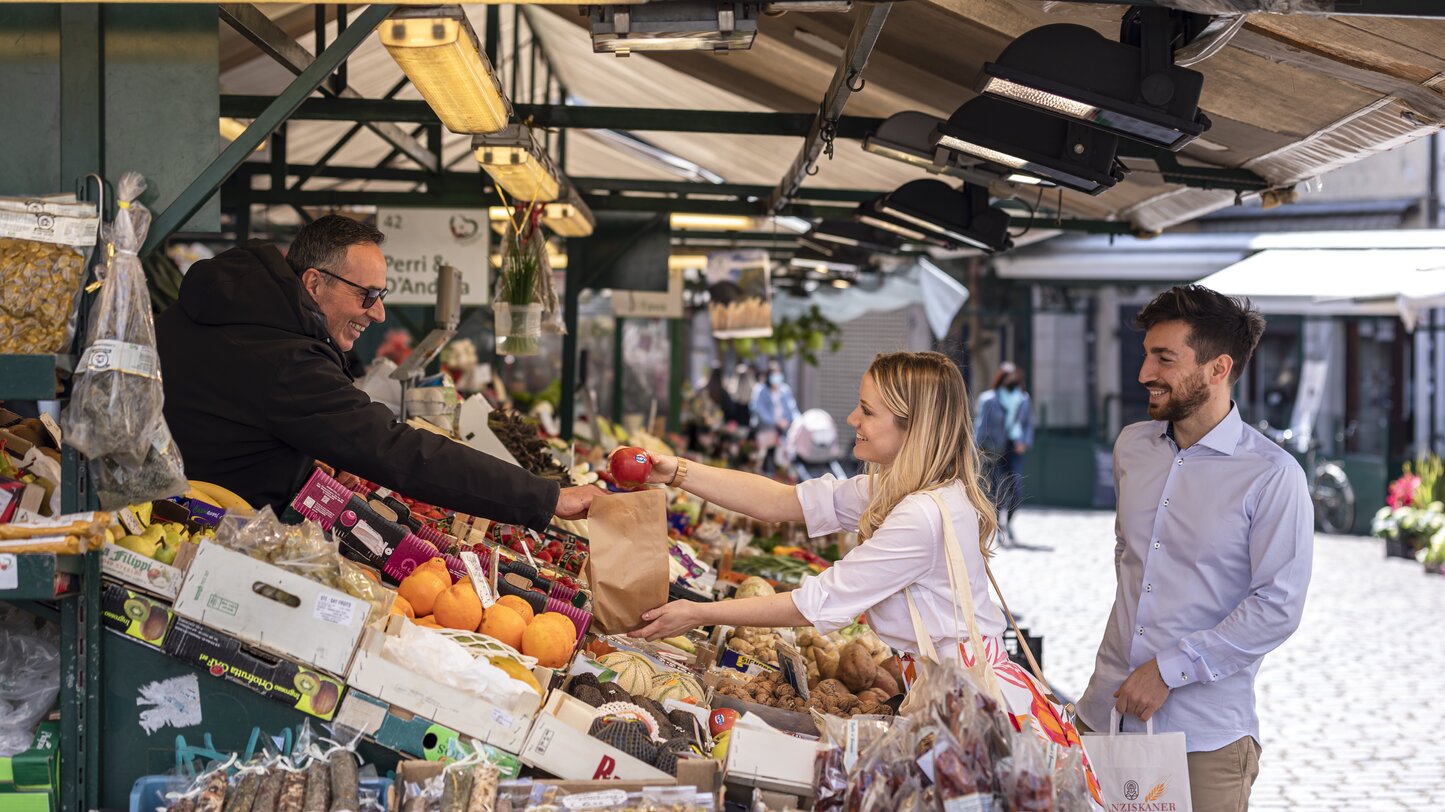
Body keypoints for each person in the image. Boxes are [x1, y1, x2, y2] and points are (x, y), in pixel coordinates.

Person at [634, 353, 1074, 738]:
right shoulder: (908, 491)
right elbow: (781, 501)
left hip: (967, 705)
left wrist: (697, 612)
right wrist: (677, 472)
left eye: (867, 411)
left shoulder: (920, 515)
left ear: (912, 426)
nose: (851, 420)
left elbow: (814, 605)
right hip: (949, 688)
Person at [155, 215, 601, 529]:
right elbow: (398, 450)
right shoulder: (282, 357)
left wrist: (307, 456)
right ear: (314, 284)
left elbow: (232, 418)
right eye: (367, 295)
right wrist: (547, 497)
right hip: (203, 537)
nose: (380, 312)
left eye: (381, 294)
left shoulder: (237, 313)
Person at [1078, 285, 1313, 812]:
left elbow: (1278, 606)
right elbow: (1130, 559)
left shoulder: (1273, 476)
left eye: (1164, 358)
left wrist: (1169, 668)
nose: (1144, 373)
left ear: (1217, 368)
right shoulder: (1132, 447)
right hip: (1104, 716)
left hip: (1201, 740)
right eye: (1146, 355)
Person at [974, 362, 1033, 544]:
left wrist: (1024, 441)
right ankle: (998, 527)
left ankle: (1009, 523)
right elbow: (980, 426)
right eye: (1008, 377)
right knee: (997, 491)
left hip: (1014, 450)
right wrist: (978, 449)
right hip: (994, 451)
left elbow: (1027, 424)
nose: (1011, 381)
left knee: (1016, 489)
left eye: (1014, 377)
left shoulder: (1023, 399)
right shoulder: (988, 399)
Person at [749, 360, 800, 474]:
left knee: (785, 455)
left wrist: (797, 421)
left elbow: (792, 408)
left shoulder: (785, 389)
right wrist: (776, 422)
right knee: (766, 456)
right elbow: (758, 410)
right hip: (766, 428)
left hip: (783, 428)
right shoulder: (760, 390)